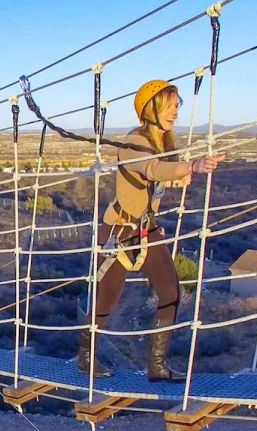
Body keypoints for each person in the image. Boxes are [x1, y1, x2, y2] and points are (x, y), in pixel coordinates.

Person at [77, 79, 224, 381]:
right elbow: (152, 169)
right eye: (169, 106)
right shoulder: (134, 142)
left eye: (175, 107)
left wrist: (176, 178)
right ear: (150, 109)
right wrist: (191, 167)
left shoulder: (161, 145)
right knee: (107, 302)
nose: (174, 113)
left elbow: (155, 178)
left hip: (147, 231)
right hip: (118, 233)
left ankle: (157, 366)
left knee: (171, 293)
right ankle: (86, 358)